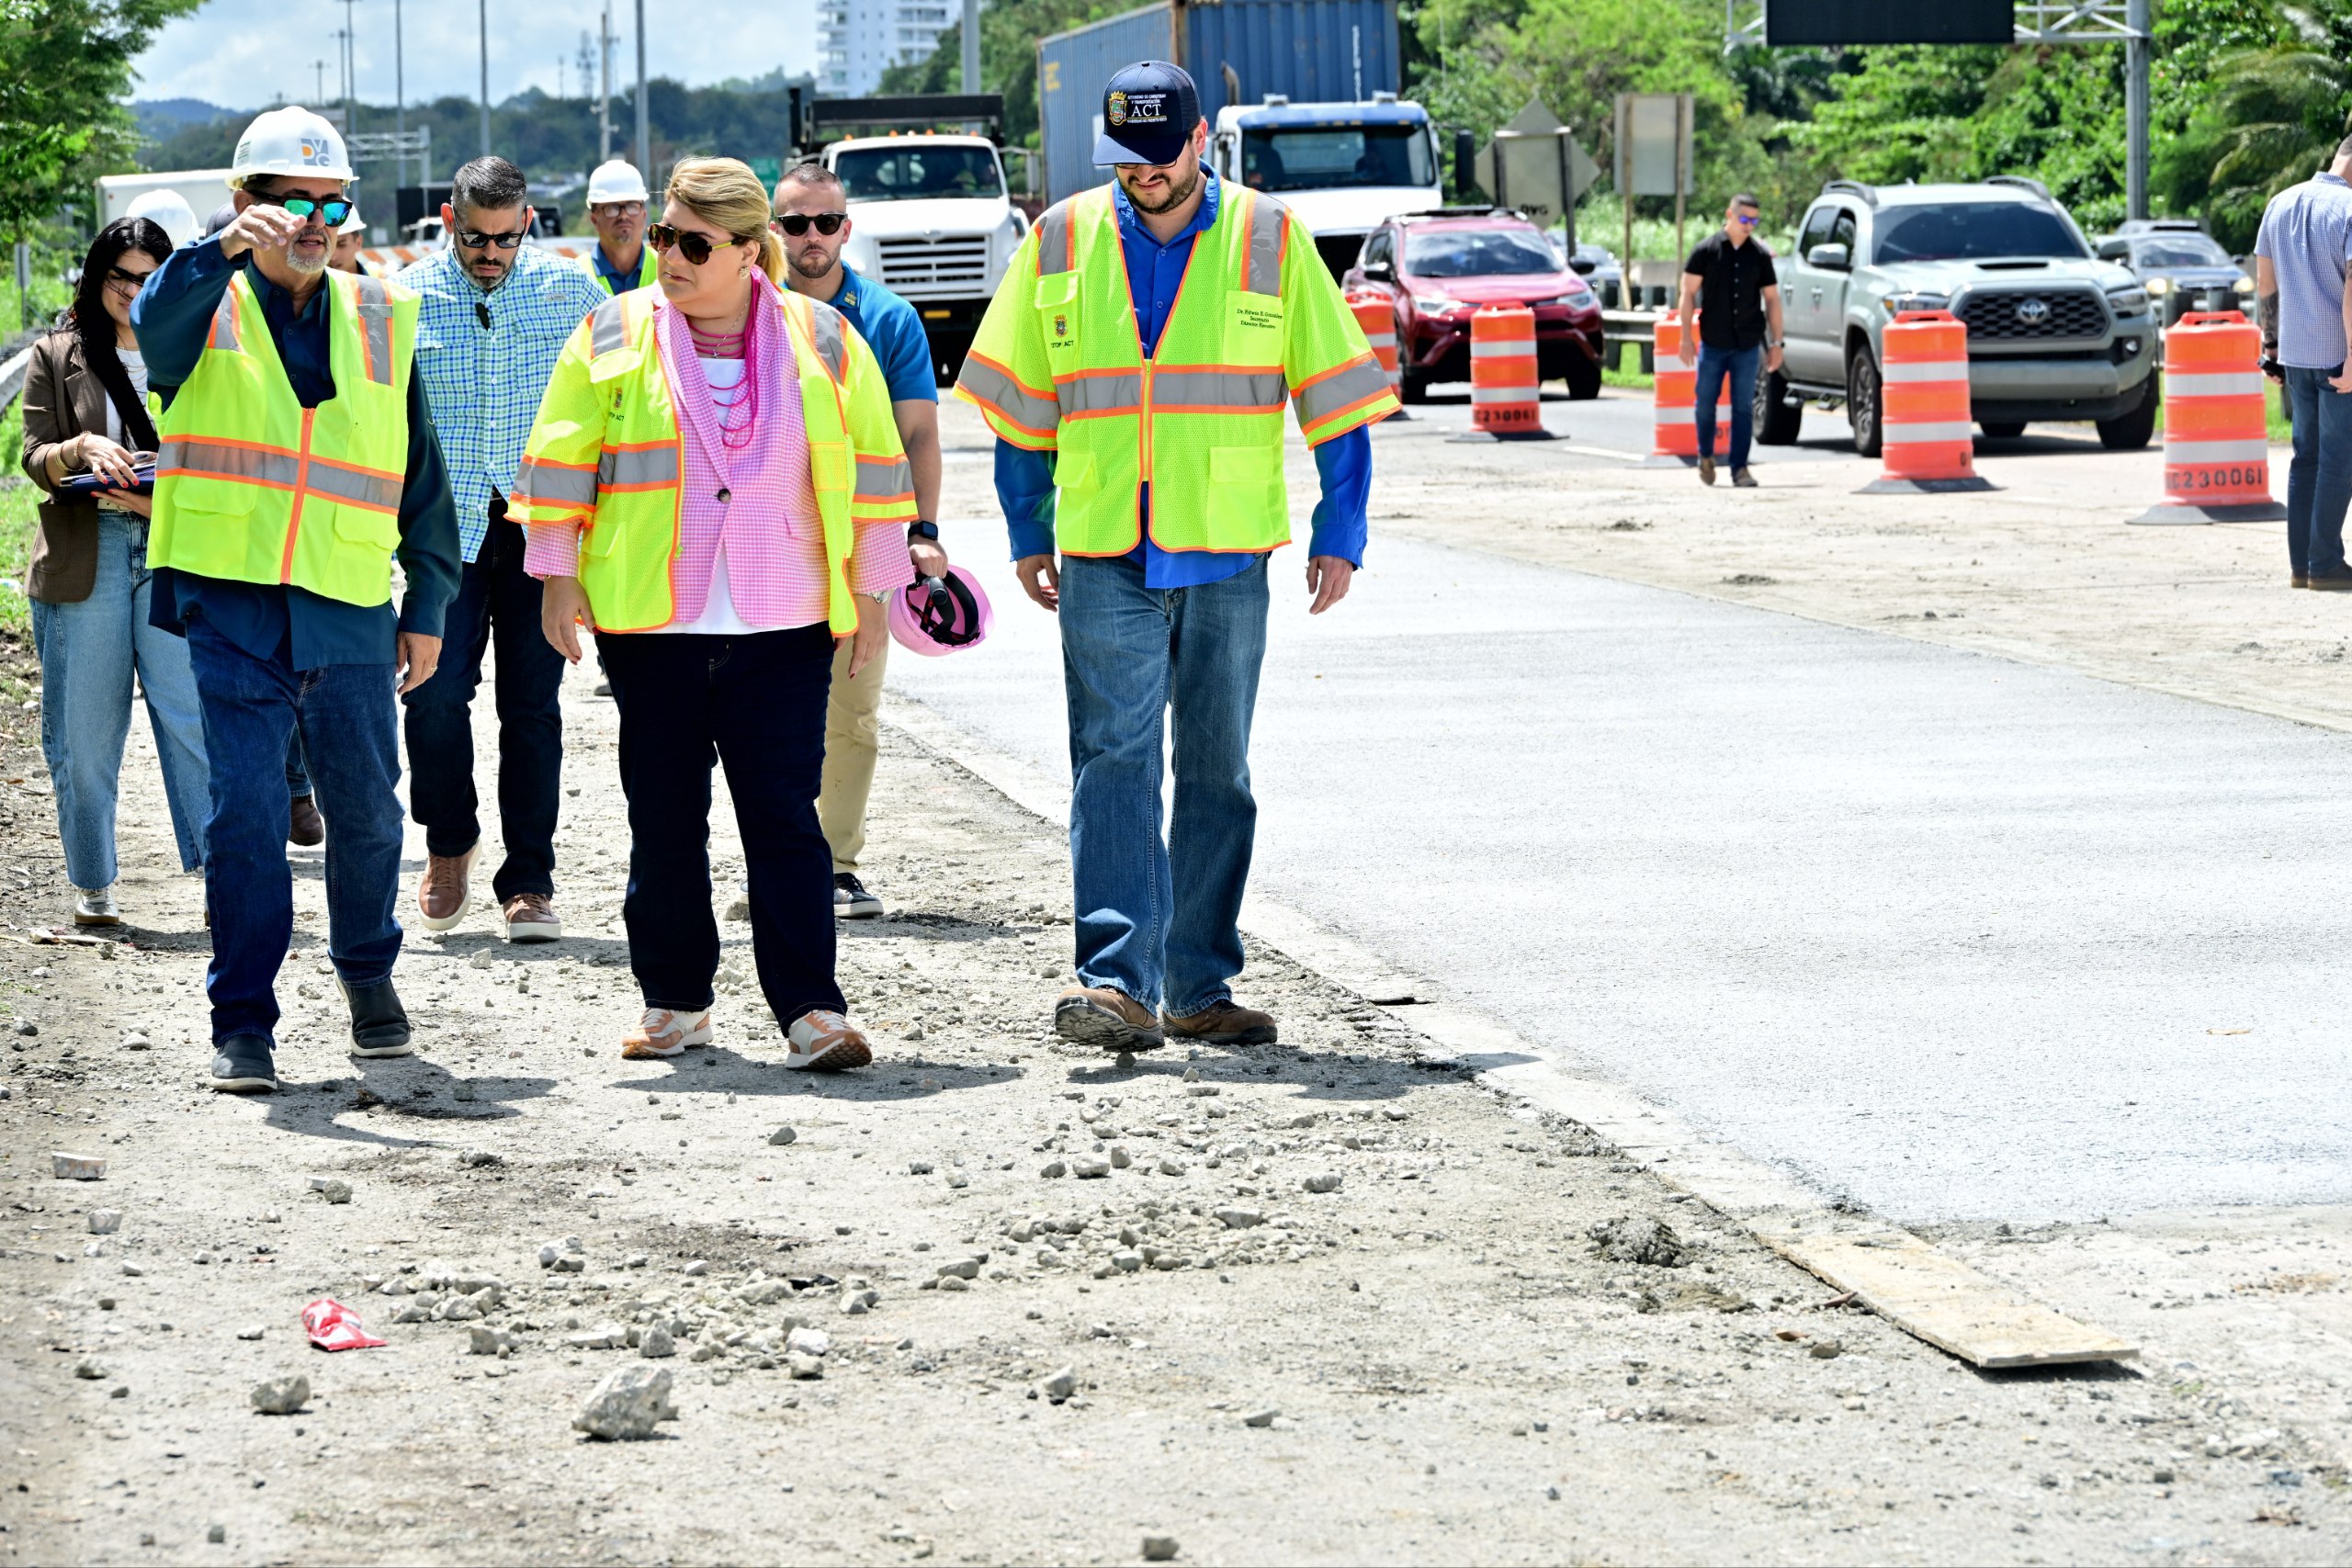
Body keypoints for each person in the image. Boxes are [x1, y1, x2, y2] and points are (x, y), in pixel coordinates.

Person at [956, 62, 1396, 1056]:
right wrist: (1027, 529)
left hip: (1226, 544)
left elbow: (1335, 395)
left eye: (1161, 155)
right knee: (1111, 760)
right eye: (1127, 158)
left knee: (1215, 769)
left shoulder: (1271, 237)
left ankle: (1197, 985)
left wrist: (1342, 528)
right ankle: (1116, 983)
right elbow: (1021, 404)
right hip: (1103, 544)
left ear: (1200, 141)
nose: (1144, 174)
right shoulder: (1058, 237)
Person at [515, 157, 916, 1068]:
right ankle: (675, 1002)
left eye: (694, 244)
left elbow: (877, 481)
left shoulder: (825, 338)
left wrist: (871, 595)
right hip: (651, 622)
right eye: (665, 237)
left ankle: (811, 1011)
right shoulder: (612, 330)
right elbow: (559, 462)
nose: (669, 257)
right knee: (662, 819)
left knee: (784, 819)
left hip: (784, 622)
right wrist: (556, 576)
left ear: (747, 249)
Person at [131, 106, 460, 1094]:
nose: (313, 221)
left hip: (349, 604)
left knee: (367, 815)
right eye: (290, 201)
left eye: (331, 203)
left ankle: (367, 977)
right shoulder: (204, 303)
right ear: (246, 202)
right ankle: (243, 1021)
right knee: (244, 818)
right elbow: (153, 326)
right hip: (231, 604)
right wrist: (220, 247)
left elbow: (420, 470)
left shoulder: (381, 314)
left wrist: (428, 603)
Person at [396, 157, 605, 942]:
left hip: (537, 530)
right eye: (477, 238)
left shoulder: (573, 294)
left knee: (531, 707)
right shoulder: (404, 298)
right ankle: (449, 842)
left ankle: (528, 880)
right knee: (431, 693)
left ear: (528, 225)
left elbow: (609, 414)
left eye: (506, 238)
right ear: (450, 222)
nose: (491, 253)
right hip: (439, 531)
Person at [18, 219, 210, 926]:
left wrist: (163, 494)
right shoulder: (56, 353)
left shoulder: (198, 348)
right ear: (97, 277)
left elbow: (227, 456)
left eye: (148, 278)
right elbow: (34, 454)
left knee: (194, 721)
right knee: (85, 733)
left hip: (174, 548)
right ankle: (93, 881)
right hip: (85, 550)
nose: (132, 291)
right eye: (119, 277)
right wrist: (79, 448)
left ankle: (222, 876)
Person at [770, 159, 946, 919]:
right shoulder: (747, 309)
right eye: (795, 223)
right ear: (772, 229)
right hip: (769, 542)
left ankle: (837, 865)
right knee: (768, 720)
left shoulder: (888, 319)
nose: (811, 236)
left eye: (826, 222)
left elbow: (919, 434)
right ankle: (778, 860)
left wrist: (924, 531)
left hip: (862, 548)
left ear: (847, 228)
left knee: (852, 713)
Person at [2256, 132, 2352, 589]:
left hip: (2295, 355)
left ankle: (2302, 566)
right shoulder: (2350, 210)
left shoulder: (2280, 203)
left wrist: (2271, 349)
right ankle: (2325, 564)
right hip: (2338, 357)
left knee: (2305, 458)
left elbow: (2265, 284)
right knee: (2339, 459)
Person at [1676, 193, 1785, 489]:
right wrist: (1685, 337)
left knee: (1743, 407)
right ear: (1730, 215)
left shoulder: (1759, 256)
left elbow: (1772, 300)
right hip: (1713, 342)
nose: (1749, 225)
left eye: (1754, 221)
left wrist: (1777, 343)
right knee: (1705, 404)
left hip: (1747, 344)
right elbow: (1687, 294)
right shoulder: (1706, 251)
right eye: (1744, 219)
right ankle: (1705, 455)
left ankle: (1740, 468)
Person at [580, 159, 655, 296]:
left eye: (632, 206)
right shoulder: (577, 274)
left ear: (644, 215)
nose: (623, 216)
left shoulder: (668, 269)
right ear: (594, 220)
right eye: (612, 208)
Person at [329, 206, 368, 274]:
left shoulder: (379, 278)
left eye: (341, 245)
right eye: (327, 245)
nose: (332, 257)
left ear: (358, 243)